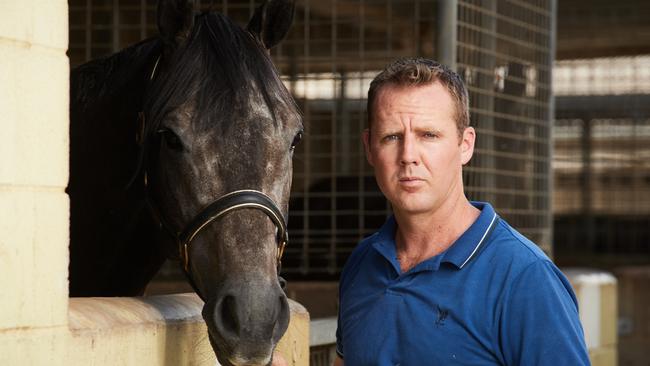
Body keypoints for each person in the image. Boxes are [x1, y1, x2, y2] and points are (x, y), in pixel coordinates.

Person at [334, 58, 590, 365]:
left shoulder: (524, 277)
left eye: (429, 135)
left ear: (465, 145)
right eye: (391, 137)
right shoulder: (362, 263)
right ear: (368, 148)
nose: (408, 156)